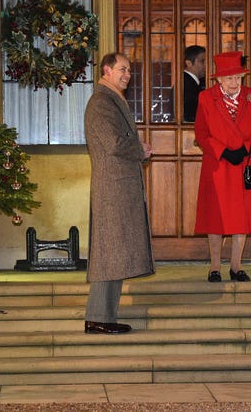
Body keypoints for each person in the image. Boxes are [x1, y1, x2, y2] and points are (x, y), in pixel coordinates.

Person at [83, 52, 155, 334]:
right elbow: (114, 143)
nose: (127, 74)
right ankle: (98, 317)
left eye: (129, 70)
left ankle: (105, 317)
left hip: (118, 185)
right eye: (122, 69)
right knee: (108, 253)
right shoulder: (101, 102)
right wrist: (140, 149)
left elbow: (119, 141)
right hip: (111, 188)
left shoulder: (112, 99)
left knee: (114, 252)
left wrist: (140, 150)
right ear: (107, 70)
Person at [194, 51, 251, 282]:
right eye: (229, 79)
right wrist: (223, 151)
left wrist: (246, 149)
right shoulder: (206, 98)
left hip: (243, 164)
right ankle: (214, 267)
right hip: (217, 165)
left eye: (238, 78)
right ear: (218, 80)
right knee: (215, 217)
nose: (235, 83)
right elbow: (201, 134)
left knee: (241, 218)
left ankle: (236, 266)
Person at [183, 45, 206, 122]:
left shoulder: (192, 82)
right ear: (189, 63)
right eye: (202, 61)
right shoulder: (185, 84)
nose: (206, 65)